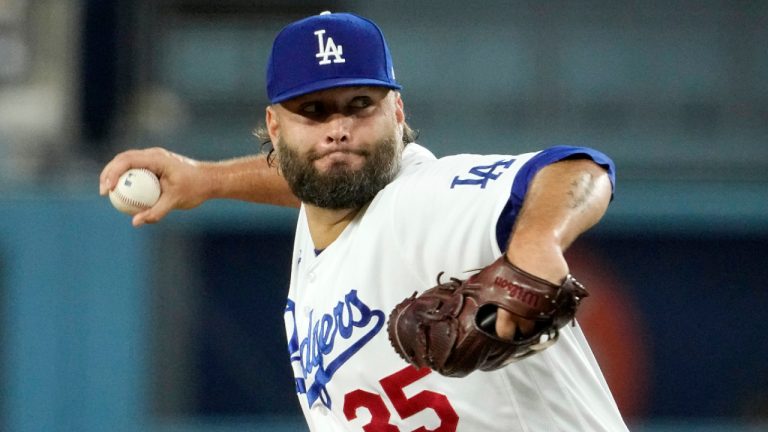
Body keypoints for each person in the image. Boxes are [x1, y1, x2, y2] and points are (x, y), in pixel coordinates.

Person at [100, 11, 629, 431]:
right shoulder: (328, 207)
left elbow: (576, 168)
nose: (339, 129)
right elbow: (316, 175)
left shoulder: (423, 203)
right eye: (314, 111)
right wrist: (207, 179)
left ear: (397, 113)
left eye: (360, 104)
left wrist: (537, 239)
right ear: (274, 126)